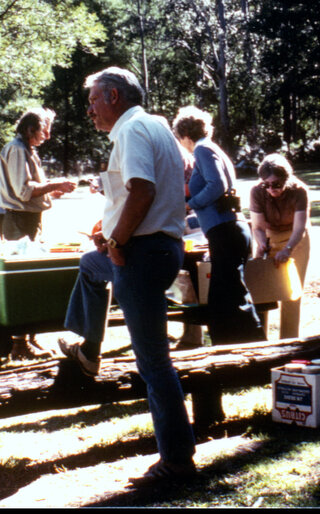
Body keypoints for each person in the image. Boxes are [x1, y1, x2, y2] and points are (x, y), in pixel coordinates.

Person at [59, 66, 197, 486]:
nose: (90, 111)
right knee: (89, 264)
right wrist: (111, 232)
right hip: (159, 249)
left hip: (140, 255)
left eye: (94, 101)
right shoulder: (156, 126)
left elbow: (143, 190)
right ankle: (88, 347)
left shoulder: (133, 131)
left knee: (153, 361)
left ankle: (176, 458)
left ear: (114, 97)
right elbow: (159, 186)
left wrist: (117, 242)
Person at [172, 105, 267, 345]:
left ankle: (251, 344)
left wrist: (191, 204)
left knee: (229, 292)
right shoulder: (211, 148)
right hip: (225, 229)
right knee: (225, 291)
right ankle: (232, 345)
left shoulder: (203, 149)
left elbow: (218, 185)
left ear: (184, 134)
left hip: (226, 230)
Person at [0, 107, 77, 359]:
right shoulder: (17, 149)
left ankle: (29, 339)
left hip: (31, 219)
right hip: (18, 221)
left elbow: (32, 189)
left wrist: (52, 191)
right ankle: (19, 344)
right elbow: (23, 191)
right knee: (21, 281)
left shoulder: (28, 149)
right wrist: (55, 184)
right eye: (45, 130)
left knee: (34, 280)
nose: (49, 135)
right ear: (31, 128)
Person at [250, 152, 311, 338]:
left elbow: (300, 228)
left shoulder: (299, 191)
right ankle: (260, 339)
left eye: (276, 184)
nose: (270, 189)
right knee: (262, 291)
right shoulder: (257, 191)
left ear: (286, 179)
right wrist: (261, 244)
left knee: (291, 292)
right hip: (269, 236)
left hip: (295, 239)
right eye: (266, 184)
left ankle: (289, 340)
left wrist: (287, 250)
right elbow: (258, 226)